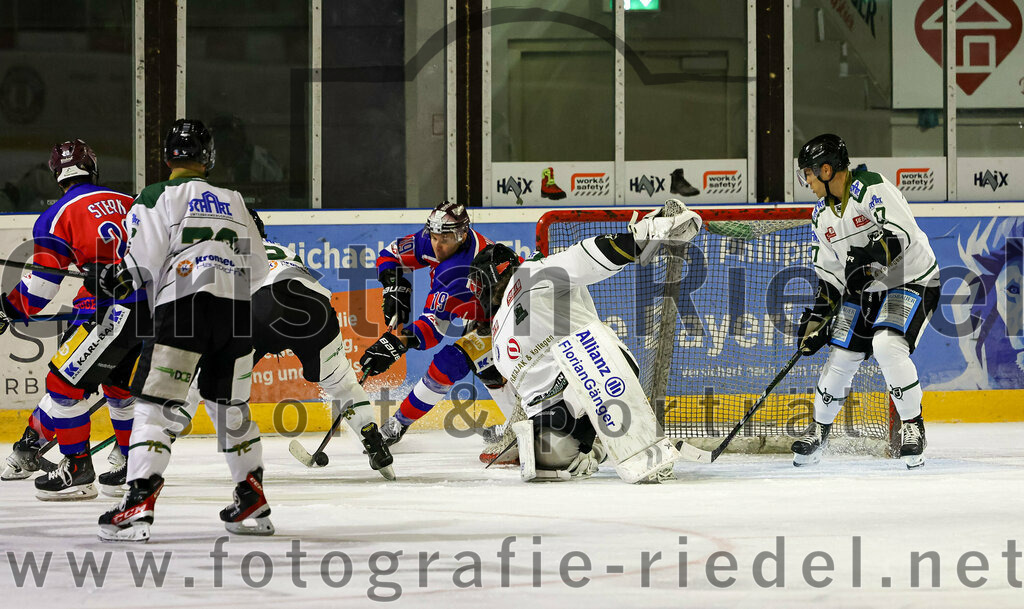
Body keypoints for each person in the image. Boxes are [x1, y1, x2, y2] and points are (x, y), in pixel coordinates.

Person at [96, 119, 270, 542]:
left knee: (156, 405)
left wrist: (113, 279)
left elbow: (141, 263)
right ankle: (251, 498)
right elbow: (259, 270)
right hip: (235, 312)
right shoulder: (236, 200)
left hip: (183, 307)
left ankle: (138, 503)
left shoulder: (156, 195)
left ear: (168, 156)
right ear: (207, 157)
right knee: (230, 406)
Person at [467, 199, 702, 483]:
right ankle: (603, 448)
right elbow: (584, 258)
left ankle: (590, 451)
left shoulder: (502, 332)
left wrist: (639, 237)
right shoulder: (525, 283)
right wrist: (639, 237)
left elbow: (582, 259)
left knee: (553, 445)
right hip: (589, 384)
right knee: (593, 349)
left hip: (562, 411)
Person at [0, 139, 141, 501]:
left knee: (62, 386)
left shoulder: (56, 215)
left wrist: (8, 308)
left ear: (57, 175)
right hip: (153, 309)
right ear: (93, 168)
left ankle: (77, 472)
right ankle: (131, 468)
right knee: (119, 388)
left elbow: (41, 289)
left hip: (107, 311)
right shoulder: (130, 201)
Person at [793, 133, 940, 469]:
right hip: (868, 291)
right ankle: (819, 429)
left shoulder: (871, 187)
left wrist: (865, 263)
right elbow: (831, 279)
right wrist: (817, 320)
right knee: (842, 352)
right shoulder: (821, 216)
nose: (807, 181)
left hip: (912, 280)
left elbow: (900, 235)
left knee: (887, 344)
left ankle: (912, 426)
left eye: (809, 173)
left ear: (827, 170)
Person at [358, 201, 515, 446]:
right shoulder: (436, 238)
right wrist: (394, 285)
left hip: (509, 318)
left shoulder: (458, 272)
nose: (437, 245)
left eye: (445, 240)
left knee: (451, 362)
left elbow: (433, 330)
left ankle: (398, 424)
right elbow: (391, 254)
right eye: (433, 237)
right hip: (485, 313)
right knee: (484, 366)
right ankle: (517, 421)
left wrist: (397, 343)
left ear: (462, 236)